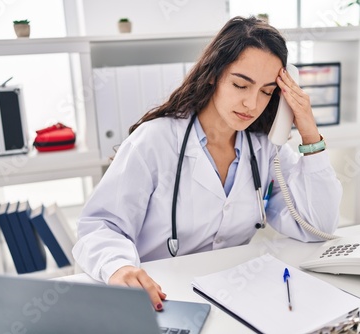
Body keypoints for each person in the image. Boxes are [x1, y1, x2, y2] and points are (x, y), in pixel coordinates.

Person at [73, 16, 342, 311]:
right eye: (241, 85)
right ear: (214, 73)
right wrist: (118, 267)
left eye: (266, 91)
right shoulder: (155, 140)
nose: (252, 104)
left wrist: (309, 132)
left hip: (235, 297)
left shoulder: (264, 148)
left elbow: (317, 227)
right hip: (161, 299)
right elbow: (99, 226)